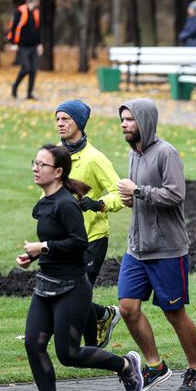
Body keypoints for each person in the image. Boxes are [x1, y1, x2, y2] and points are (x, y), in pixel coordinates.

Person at [18, 144, 142, 391]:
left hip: (72, 288)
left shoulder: (66, 203)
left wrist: (45, 247)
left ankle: (125, 365)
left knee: (69, 354)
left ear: (58, 172)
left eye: (42, 165)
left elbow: (78, 244)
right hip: (45, 285)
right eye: (34, 163)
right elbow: (53, 244)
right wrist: (33, 255)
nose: (36, 169)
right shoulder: (45, 203)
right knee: (33, 344)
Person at [116, 98, 196, 391]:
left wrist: (139, 192)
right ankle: (155, 365)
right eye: (122, 120)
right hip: (137, 249)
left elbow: (175, 195)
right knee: (128, 308)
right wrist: (131, 198)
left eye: (129, 120)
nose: (124, 125)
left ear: (144, 122)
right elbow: (141, 193)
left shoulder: (166, 153)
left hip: (167, 249)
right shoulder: (134, 153)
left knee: (174, 314)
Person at [54, 100, 123, 348]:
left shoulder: (95, 159)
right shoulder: (56, 156)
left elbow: (120, 193)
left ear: (79, 123)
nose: (60, 124)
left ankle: (92, 348)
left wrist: (99, 204)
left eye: (66, 119)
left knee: (76, 296)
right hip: (65, 241)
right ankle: (105, 317)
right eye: (58, 119)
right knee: (68, 295)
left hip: (92, 239)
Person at [7, 0, 42, 99]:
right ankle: (15, 86)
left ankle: (29, 93)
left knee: (33, 69)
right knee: (26, 68)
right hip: (22, 45)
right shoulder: (20, 11)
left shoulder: (36, 12)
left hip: (33, 45)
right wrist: (13, 43)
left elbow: (37, 30)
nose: (38, 3)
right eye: (37, 1)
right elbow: (13, 27)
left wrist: (39, 44)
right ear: (34, 1)